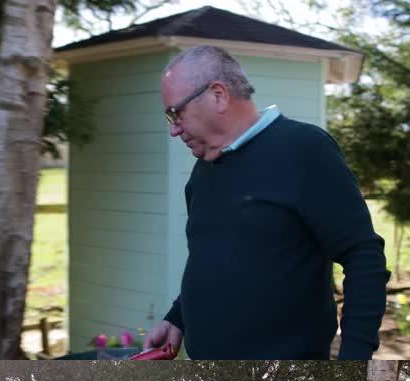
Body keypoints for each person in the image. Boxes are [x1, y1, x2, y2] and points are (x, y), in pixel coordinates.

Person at [145, 45, 389, 360]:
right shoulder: (203, 169)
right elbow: (212, 260)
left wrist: (354, 360)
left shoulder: (304, 150)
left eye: (175, 112)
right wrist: (177, 317)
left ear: (218, 95)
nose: (173, 129)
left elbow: (364, 258)